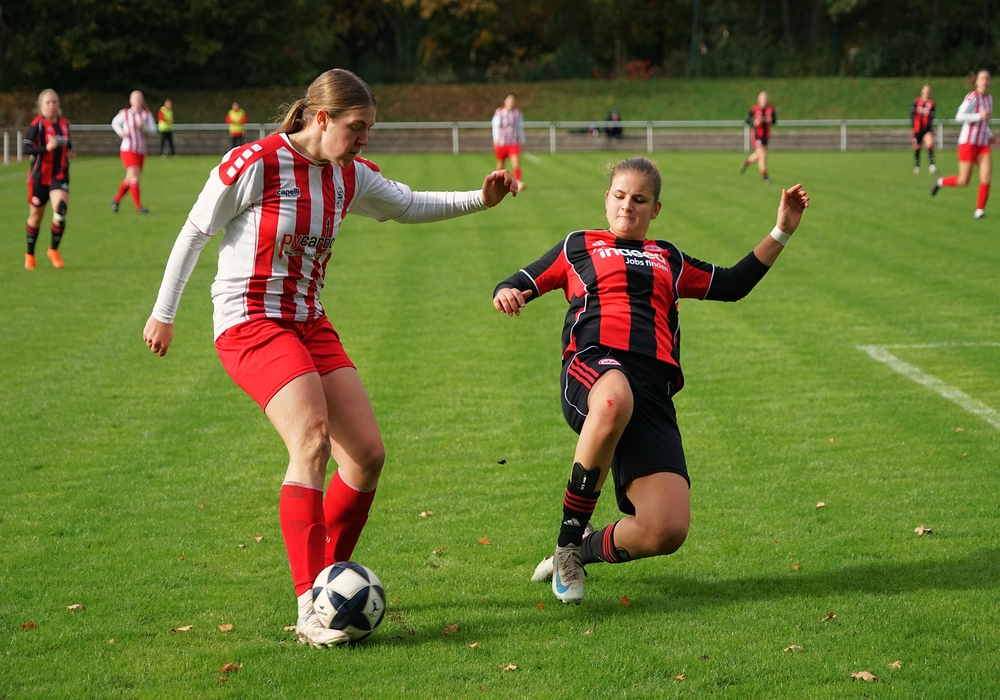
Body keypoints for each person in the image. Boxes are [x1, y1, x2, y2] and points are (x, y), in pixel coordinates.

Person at [142, 68, 518, 647]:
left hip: (309, 321)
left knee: (366, 456)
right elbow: (195, 231)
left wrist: (480, 199)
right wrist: (163, 313)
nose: (364, 138)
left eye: (369, 129)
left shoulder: (349, 174)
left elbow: (409, 204)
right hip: (250, 320)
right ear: (321, 118)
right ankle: (309, 607)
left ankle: (326, 583)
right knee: (313, 440)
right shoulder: (256, 163)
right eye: (357, 127)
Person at [493, 157, 808, 604]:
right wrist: (507, 292)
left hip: (653, 388)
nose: (628, 206)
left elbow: (733, 283)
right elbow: (519, 281)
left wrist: (782, 230)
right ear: (607, 199)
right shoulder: (578, 245)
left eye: (639, 200)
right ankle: (566, 543)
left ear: (655, 209)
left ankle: (581, 550)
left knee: (666, 529)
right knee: (613, 399)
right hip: (593, 365)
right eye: (620, 196)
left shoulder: (669, 257)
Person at [932, 70, 997, 219]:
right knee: (963, 181)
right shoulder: (972, 97)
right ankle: (941, 181)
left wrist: (991, 136)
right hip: (968, 143)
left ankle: (979, 211)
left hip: (982, 145)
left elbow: (985, 123)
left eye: (987, 78)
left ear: (990, 82)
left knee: (986, 176)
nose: (985, 81)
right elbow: (959, 116)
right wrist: (978, 116)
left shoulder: (990, 99)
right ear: (977, 81)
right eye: (982, 78)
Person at [22, 89, 73, 270]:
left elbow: (68, 144)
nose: (52, 105)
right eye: (48, 103)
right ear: (41, 105)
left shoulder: (64, 124)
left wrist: (70, 151)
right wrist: (45, 148)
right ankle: (30, 254)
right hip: (39, 178)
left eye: (54, 102)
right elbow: (26, 149)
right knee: (35, 217)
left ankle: (53, 250)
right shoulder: (38, 124)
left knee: (60, 210)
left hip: (59, 175)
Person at [111, 90, 157, 214]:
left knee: (130, 179)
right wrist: (121, 132)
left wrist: (144, 127)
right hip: (128, 149)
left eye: (139, 97)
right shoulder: (125, 113)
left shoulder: (146, 114)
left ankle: (116, 200)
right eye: (135, 97)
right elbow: (115, 123)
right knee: (134, 177)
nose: (138, 100)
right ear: (130, 100)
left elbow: (153, 130)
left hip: (141, 150)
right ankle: (138, 207)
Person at [740, 91, 777, 184]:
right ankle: (765, 177)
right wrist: (754, 122)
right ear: (759, 99)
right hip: (757, 135)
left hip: (766, 136)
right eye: (763, 98)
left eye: (766, 98)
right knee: (763, 155)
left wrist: (768, 120)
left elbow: (774, 121)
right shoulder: (754, 109)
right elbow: (747, 120)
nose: (765, 99)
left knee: (758, 155)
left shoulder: (771, 109)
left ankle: (746, 162)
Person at [492, 93, 526, 188]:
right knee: (500, 164)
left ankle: (518, 181)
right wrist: (496, 140)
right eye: (509, 100)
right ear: (505, 101)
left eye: (513, 100)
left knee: (516, 162)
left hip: (512, 142)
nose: (511, 102)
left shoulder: (517, 113)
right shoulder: (500, 112)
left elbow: (520, 127)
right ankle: (497, 182)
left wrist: (522, 140)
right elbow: (496, 127)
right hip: (502, 142)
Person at [911, 85, 936, 174]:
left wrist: (928, 127)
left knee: (930, 145)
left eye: (928, 91)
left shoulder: (931, 103)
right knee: (917, 147)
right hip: (917, 128)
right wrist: (913, 126)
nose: (926, 92)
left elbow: (932, 117)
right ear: (922, 91)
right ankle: (917, 166)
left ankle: (932, 165)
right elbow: (912, 114)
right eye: (925, 90)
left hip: (927, 128)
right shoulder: (916, 101)